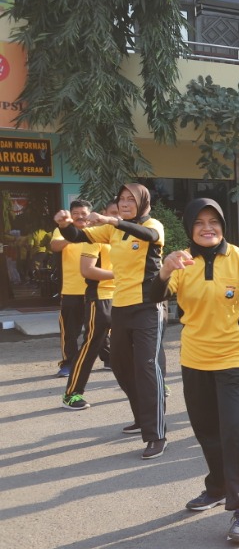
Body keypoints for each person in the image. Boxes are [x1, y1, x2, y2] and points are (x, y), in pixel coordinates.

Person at [153, 199, 239, 542]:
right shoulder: (182, 261)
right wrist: (164, 270)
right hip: (195, 358)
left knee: (232, 432)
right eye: (200, 222)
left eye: (214, 222)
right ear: (190, 227)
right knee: (206, 430)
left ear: (223, 226)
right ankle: (218, 486)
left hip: (235, 358)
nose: (207, 227)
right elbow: (153, 296)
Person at [55, 184, 168, 459]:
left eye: (131, 199)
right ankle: (142, 417)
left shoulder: (153, 224)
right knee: (119, 365)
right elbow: (78, 235)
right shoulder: (112, 230)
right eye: (122, 199)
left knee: (145, 367)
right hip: (120, 306)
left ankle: (156, 434)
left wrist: (113, 220)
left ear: (144, 202)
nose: (126, 202)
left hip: (148, 308)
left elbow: (149, 235)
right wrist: (65, 224)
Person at [59, 200, 118, 411]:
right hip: (101, 297)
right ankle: (72, 393)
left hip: (127, 297)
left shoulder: (130, 236)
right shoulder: (95, 236)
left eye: (121, 214)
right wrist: (120, 275)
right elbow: (88, 270)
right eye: (113, 213)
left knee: (135, 344)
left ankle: (147, 385)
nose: (117, 218)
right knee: (91, 345)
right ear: (103, 214)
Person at [51, 199, 94, 378]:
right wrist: (72, 233)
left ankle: (108, 360)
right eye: (75, 213)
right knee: (70, 331)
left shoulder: (98, 230)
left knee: (101, 329)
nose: (79, 217)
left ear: (90, 215)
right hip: (70, 290)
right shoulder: (61, 230)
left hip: (97, 291)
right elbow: (54, 246)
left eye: (83, 213)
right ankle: (68, 363)